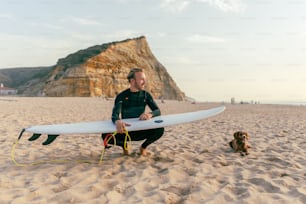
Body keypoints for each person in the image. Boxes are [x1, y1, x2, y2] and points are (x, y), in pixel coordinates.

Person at [102, 68, 164, 156]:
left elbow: (157, 111)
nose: (144, 82)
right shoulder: (122, 96)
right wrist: (117, 121)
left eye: (144, 79)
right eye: (142, 79)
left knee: (160, 130)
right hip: (125, 131)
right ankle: (124, 146)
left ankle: (143, 147)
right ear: (132, 81)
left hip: (141, 129)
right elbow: (115, 114)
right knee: (105, 135)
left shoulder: (146, 95)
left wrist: (150, 114)